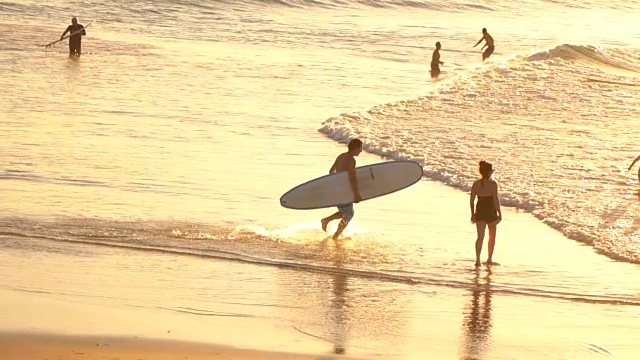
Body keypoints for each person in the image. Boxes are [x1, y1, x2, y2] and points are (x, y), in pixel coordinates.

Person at [321, 139, 363, 240]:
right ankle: (335, 236)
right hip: (344, 191)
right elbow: (353, 178)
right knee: (349, 214)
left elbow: (331, 171)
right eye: (360, 148)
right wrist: (356, 194)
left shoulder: (341, 156)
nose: (361, 151)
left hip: (337, 190)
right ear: (356, 148)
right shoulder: (351, 160)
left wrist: (336, 183)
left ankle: (326, 220)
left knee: (345, 212)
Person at [469, 161, 502, 266]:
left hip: (480, 209)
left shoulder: (476, 184)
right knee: (492, 236)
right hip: (490, 210)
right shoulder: (493, 184)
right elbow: (495, 200)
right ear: (489, 172)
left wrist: (472, 214)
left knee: (480, 237)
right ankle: (489, 259)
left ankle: (478, 260)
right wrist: (499, 213)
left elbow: (472, 200)